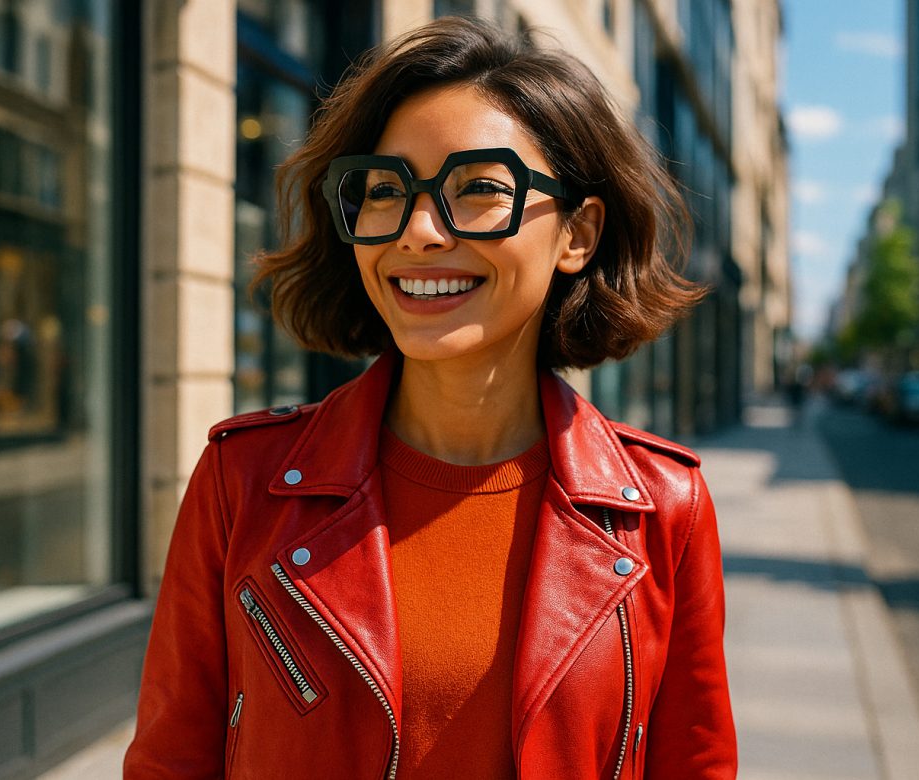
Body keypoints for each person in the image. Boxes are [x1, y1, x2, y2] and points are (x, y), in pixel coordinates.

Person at [125, 16, 736, 780]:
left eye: (477, 188)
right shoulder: (242, 482)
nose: (417, 231)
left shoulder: (663, 510)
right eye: (385, 190)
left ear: (577, 234)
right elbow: (170, 762)